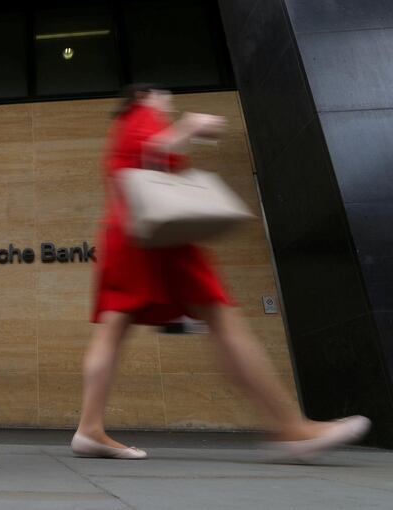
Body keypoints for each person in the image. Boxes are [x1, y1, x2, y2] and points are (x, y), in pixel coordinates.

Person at [71, 83, 370, 460]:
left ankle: (90, 428)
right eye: (164, 97)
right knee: (222, 319)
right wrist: (190, 127)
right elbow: (155, 152)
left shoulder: (121, 128)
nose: (167, 102)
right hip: (162, 236)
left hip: (127, 234)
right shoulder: (144, 115)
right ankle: (289, 426)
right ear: (144, 96)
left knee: (113, 330)